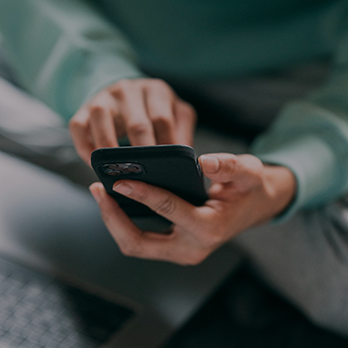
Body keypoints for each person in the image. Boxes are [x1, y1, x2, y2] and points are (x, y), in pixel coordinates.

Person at [0, 0, 348, 336]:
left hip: (302, 72)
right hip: (78, 29)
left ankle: (120, 151)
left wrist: (283, 179)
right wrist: (92, 73)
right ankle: (161, 159)